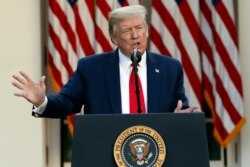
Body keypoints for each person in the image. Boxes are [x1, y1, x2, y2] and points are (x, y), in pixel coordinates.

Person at [12, 5, 199, 118]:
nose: (135, 36)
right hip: (107, 154)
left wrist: (181, 118)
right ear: (113, 37)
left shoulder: (170, 68)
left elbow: (180, 108)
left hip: (156, 154)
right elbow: (67, 102)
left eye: (139, 28)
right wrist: (41, 101)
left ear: (147, 31)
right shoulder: (91, 68)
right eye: (127, 31)